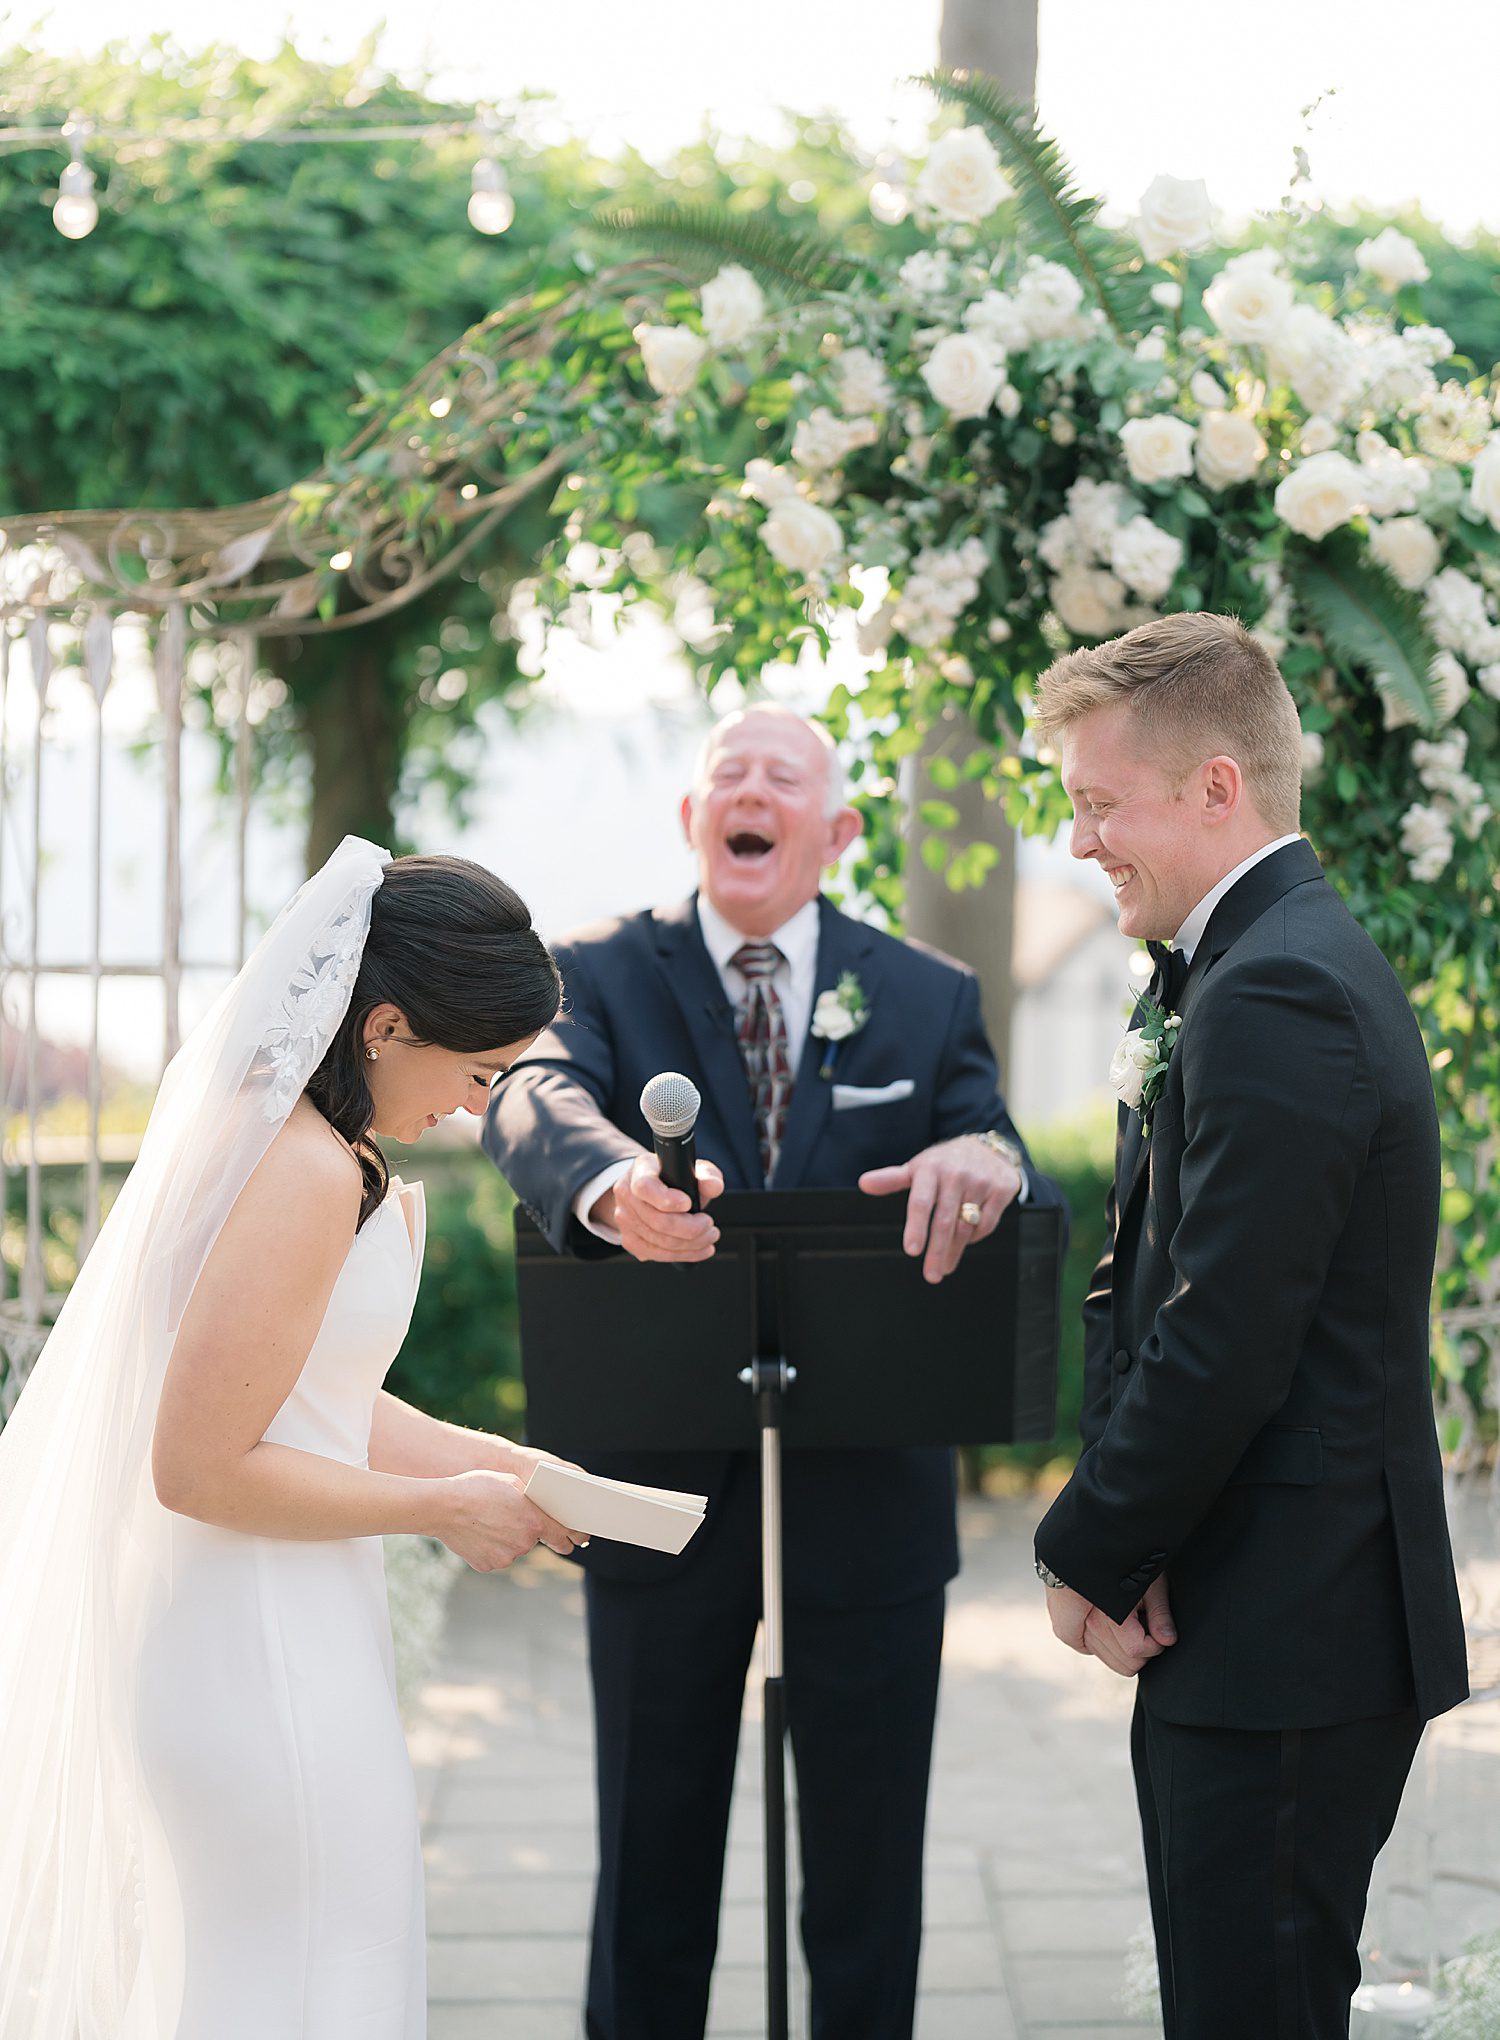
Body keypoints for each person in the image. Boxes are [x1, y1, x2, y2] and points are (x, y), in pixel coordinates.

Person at [484, 703, 1063, 2040]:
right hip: (657, 1491)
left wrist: (992, 1162)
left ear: (837, 829)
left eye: (782, 776)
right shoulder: (597, 976)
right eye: (724, 775)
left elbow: (991, 1141)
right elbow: (531, 1095)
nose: (749, 791)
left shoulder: (925, 993)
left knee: (866, 1877)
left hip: (870, 1500)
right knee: (650, 1862)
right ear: (693, 820)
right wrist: (612, 1181)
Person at [0, 839, 585, 2040]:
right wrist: (443, 1509)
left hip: (258, 1630)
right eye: (477, 1074)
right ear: (383, 1024)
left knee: (284, 1977)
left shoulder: (299, 1146)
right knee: (315, 1983)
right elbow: (200, 1467)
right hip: (256, 1652)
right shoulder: (305, 1169)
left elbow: (314, 1399)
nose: (475, 1108)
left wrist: (515, 1470)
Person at [1029, 616, 1468, 2039]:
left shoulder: (1275, 984)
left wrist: (1090, 1544)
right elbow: (1149, 1280)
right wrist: (1148, 1537)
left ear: (1217, 788)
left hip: (1295, 1625)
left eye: (1102, 802)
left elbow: (1227, 1332)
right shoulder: (1252, 960)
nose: (1083, 839)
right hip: (1263, 1601)